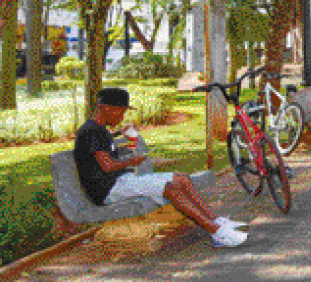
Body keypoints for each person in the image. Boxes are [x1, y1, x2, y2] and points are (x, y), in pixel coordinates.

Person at [74, 88, 248, 248]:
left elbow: (100, 150)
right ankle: (216, 232)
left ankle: (217, 221)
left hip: (119, 182)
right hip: (109, 190)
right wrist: (133, 162)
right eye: (121, 111)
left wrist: (119, 134)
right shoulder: (91, 132)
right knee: (169, 188)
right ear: (106, 108)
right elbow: (107, 165)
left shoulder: (98, 130)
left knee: (181, 178)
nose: (122, 116)